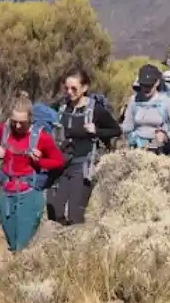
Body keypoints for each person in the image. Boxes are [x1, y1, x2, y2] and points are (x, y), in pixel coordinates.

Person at [49, 69, 121, 226]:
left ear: (85, 87)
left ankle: (77, 239)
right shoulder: (61, 106)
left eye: (74, 88)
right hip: (61, 164)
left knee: (75, 213)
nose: (69, 92)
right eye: (66, 88)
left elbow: (116, 130)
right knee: (55, 210)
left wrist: (97, 131)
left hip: (82, 165)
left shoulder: (95, 109)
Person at [0, 97, 66, 253]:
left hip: (29, 194)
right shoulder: (4, 130)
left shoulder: (41, 137)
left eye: (22, 122)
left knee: (23, 246)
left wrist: (39, 161)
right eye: (14, 122)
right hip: (6, 192)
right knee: (12, 243)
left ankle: (20, 268)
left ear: (31, 119)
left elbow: (59, 162)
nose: (17, 126)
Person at [123, 63, 170, 153]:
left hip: (160, 148)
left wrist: (166, 136)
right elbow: (128, 125)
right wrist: (120, 131)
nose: (146, 88)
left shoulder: (167, 102)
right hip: (137, 147)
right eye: (143, 85)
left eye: (149, 85)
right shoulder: (134, 100)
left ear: (157, 83)